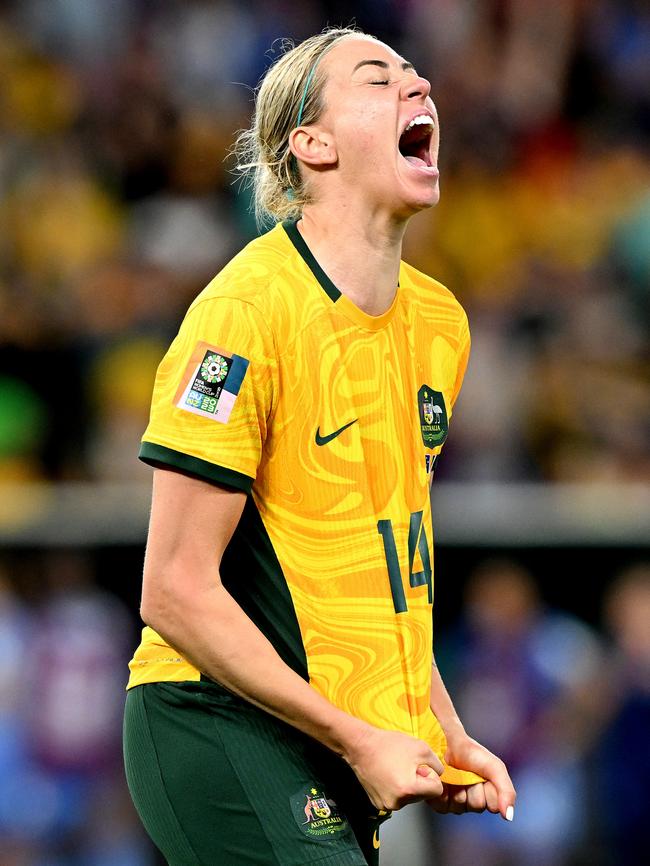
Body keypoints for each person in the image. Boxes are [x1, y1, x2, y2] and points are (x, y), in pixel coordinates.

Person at [123, 26, 516, 866]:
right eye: (379, 79)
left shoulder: (440, 323)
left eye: (418, 77)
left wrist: (442, 731)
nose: (420, 90)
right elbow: (174, 591)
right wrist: (357, 737)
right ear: (313, 144)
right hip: (215, 723)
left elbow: (385, 570)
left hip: (331, 738)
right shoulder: (244, 317)